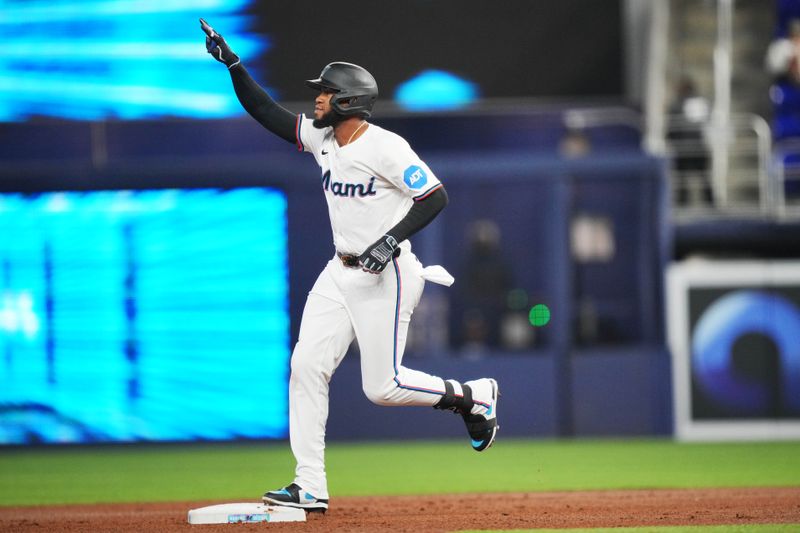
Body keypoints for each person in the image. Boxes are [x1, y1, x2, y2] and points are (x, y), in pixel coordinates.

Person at [200, 19, 499, 513]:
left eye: (325, 91)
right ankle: (309, 485)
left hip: (390, 272)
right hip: (341, 272)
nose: (316, 98)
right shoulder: (325, 141)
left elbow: (434, 195)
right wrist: (233, 65)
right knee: (305, 366)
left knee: (383, 388)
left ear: (349, 101)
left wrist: (389, 241)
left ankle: (474, 396)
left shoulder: (385, 146)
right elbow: (268, 113)